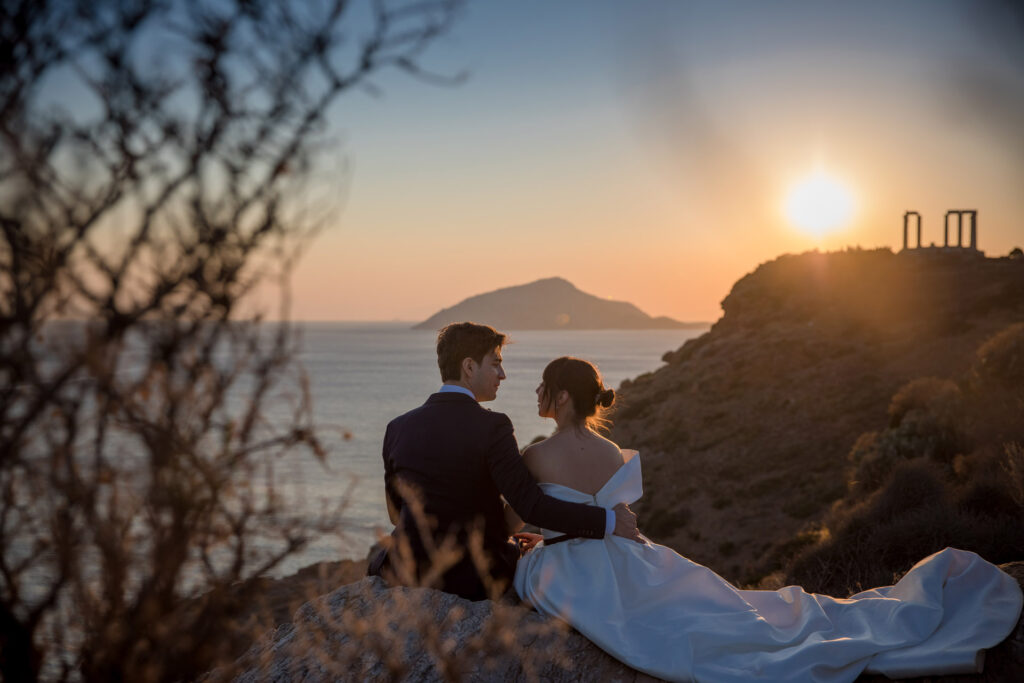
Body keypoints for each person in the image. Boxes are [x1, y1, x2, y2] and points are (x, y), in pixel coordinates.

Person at [513, 356, 1024, 683]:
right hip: (629, 554)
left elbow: (521, 520)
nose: (536, 394)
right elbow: (615, 515)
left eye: (542, 387)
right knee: (717, 612)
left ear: (560, 397)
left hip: (578, 568)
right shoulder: (612, 452)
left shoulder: (535, 458)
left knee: (680, 633)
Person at [368, 322, 642, 602]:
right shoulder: (492, 426)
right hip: (472, 577)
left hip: (403, 570)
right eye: (495, 364)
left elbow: (395, 513)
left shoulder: (397, 427)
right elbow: (530, 505)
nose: (503, 374)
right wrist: (607, 521)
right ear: (469, 367)